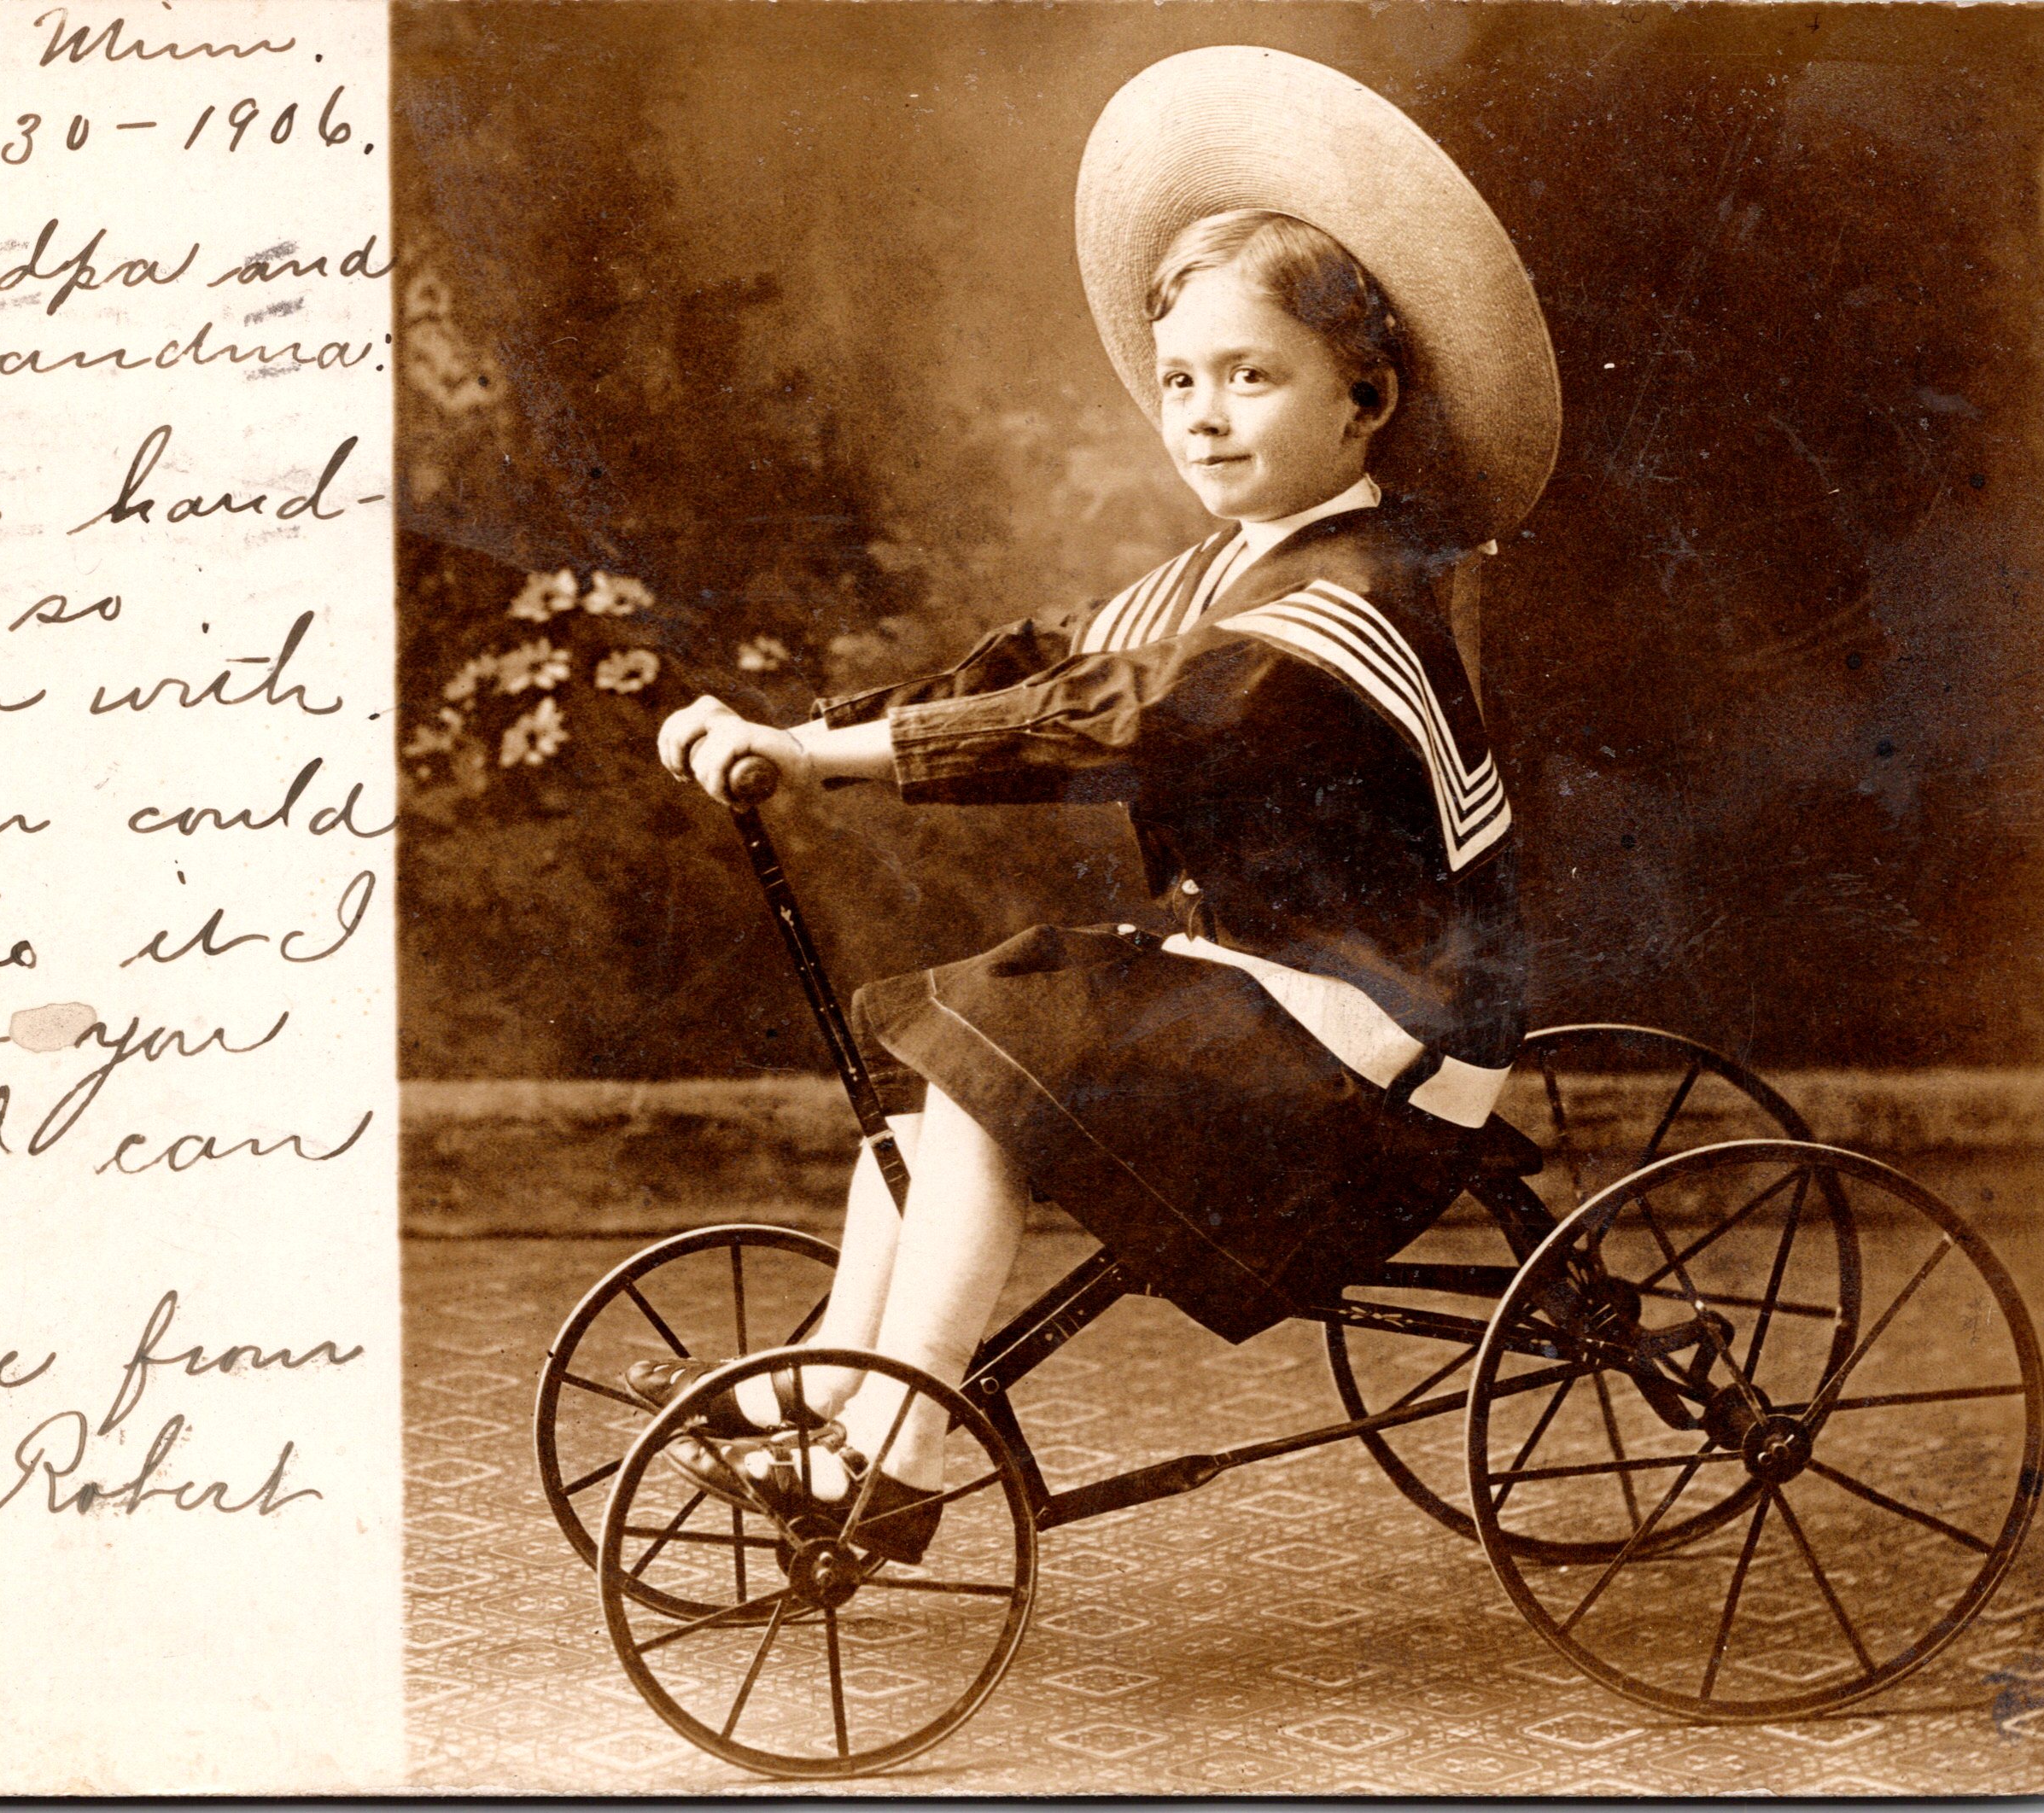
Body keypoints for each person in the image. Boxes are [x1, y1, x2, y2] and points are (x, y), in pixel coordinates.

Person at [644, 45, 1561, 1562]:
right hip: (1288, 995)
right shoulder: (1240, 564)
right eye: (1180, 380)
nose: (1201, 415)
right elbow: (1042, 661)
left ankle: (890, 1452)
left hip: (1379, 1058)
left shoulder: (1339, 601)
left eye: (1252, 376)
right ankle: (828, 1380)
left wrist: (819, 766)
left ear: (1366, 400)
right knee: (950, 1082)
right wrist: (803, 732)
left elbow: (1111, 716)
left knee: (995, 1048)